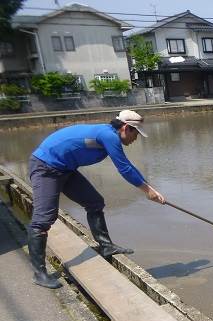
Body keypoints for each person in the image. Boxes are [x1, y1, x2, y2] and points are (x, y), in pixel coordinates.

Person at [27, 109, 165, 289]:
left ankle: (106, 246)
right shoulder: (109, 136)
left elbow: (128, 166)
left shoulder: (108, 135)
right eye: (136, 133)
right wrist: (147, 190)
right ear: (125, 128)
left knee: (95, 202)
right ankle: (39, 273)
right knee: (44, 219)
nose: (136, 138)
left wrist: (150, 187)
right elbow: (124, 169)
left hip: (66, 169)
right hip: (46, 167)